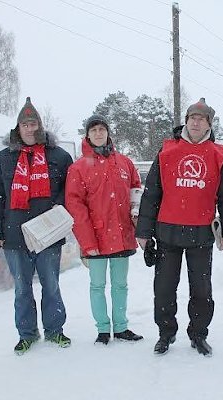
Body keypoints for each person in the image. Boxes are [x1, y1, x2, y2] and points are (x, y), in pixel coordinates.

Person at [135, 98, 223, 357]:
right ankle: (165, 334)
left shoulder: (218, 154)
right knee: (164, 289)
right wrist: (144, 232)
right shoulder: (167, 150)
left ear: (209, 125)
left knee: (201, 290)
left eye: (201, 118)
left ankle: (198, 334)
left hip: (201, 233)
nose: (195, 121)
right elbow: (151, 194)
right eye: (192, 117)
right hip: (167, 232)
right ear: (186, 120)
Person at [0, 97, 73, 355]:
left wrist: (59, 208)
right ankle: (27, 334)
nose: (30, 128)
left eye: (34, 123)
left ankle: (55, 330)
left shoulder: (59, 156)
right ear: (17, 128)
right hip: (14, 235)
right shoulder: (3, 159)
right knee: (22, 288)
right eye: (25, 124)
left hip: (48, 234)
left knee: (51, 285)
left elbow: (71, 189)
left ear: (41, 127)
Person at [65, 114, 144, 345]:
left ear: (108, 133)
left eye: (102, 129)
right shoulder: (78, 168)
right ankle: (102, 329)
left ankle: (121, 327)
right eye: (94, 130)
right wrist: (87, 241)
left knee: (121, 285)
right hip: (96, 238)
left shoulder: (124, 163)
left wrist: (137, 217)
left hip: (121, 235)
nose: (98, 133)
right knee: (97, 285)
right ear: (87, 135)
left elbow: (135, 191)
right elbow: (75, 205)